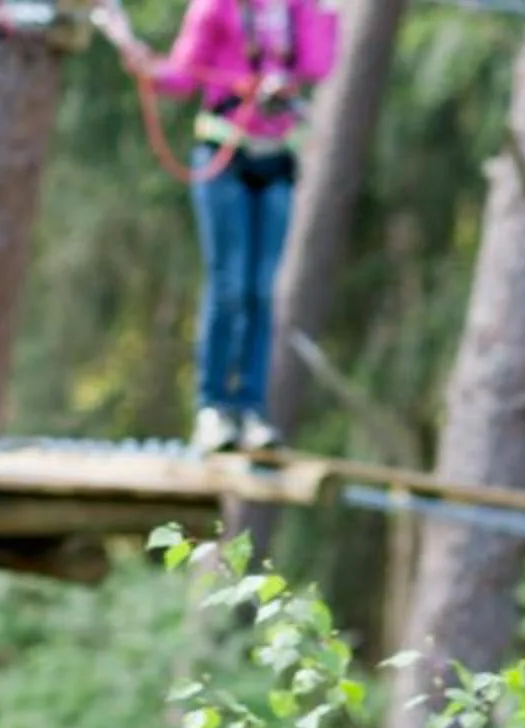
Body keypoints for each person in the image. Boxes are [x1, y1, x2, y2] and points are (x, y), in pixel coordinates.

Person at [114, 0, 339, 453]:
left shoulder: (301, 9)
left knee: (261, 290)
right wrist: (144, 64)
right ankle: (213, 407)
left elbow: (318, 65)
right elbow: (183, 76)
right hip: (225, 154)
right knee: (229, 284)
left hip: (276, 158)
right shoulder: (218, 6)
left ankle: (250, 409)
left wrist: (326, 12)